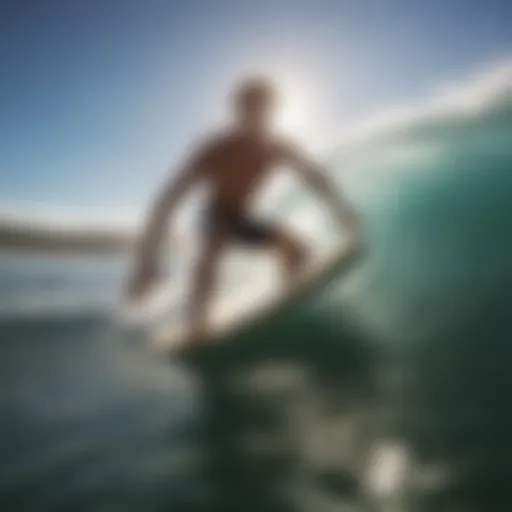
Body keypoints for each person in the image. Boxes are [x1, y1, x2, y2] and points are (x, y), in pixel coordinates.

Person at [125, 76, 359, 342]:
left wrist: (341, 210)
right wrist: (147, 263)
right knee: (211, 253)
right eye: (249, 110)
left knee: (297, 249)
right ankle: (197, 324)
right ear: (237, 113)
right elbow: (166, 201)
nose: (256, 119)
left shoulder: (279, 146)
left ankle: (287, 301)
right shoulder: (215, 148)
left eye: (263, 110)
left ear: (273, 112)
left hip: (242, 217)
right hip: (216, 215)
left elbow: (314, 177)